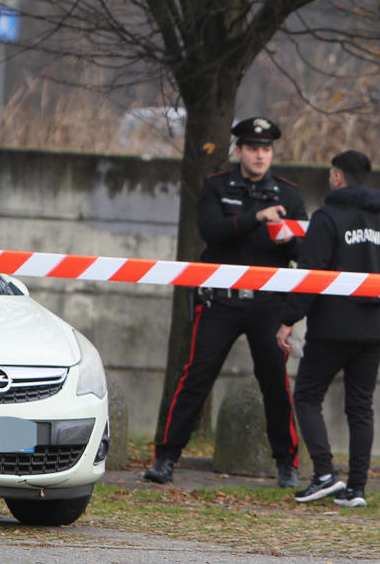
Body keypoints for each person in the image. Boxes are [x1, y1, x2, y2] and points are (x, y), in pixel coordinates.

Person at [144, 117, 307, 488]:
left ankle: (287, 464)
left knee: (275, 384)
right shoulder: (217, 187)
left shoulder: (289, 194)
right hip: (221, 303)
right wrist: (255, 218)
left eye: (266, 149)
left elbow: (305, 249)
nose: (260, 155)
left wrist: (288, 242)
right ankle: (166, 459)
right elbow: (211, 232)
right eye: (253, 148)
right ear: (239, 151)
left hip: (268, 305)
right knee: (196, 378)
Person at [275, 149, 380, 508]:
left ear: (336, 177)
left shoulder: (327, 218)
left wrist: (288, 320)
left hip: (332, 328)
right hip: (373, 331)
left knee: (307, 396)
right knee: (361, 408)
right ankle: (357, 489)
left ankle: (325, 475)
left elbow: (311, 274)